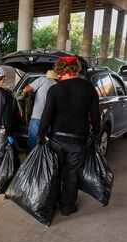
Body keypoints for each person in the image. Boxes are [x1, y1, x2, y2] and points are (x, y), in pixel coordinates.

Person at [37, 56, 100, 216]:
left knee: (55, 173)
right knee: (72, 174)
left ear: (60, 69)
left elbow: (46, 116)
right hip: (78, 140)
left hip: (57, 139)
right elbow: (95, 116)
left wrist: (41, 136)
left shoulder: (55, 89)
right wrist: (97, 134)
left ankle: (51, 205)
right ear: (76, 68)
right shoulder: (88, 88)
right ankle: (67, 206)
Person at [23, 70, 58, 151]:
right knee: (47, 144)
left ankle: (31, 161)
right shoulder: (57, 85)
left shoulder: (42, 79)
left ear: (47, 76)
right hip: (51, 120)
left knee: (32, 142)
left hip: (37, 117)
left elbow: (26, 89)